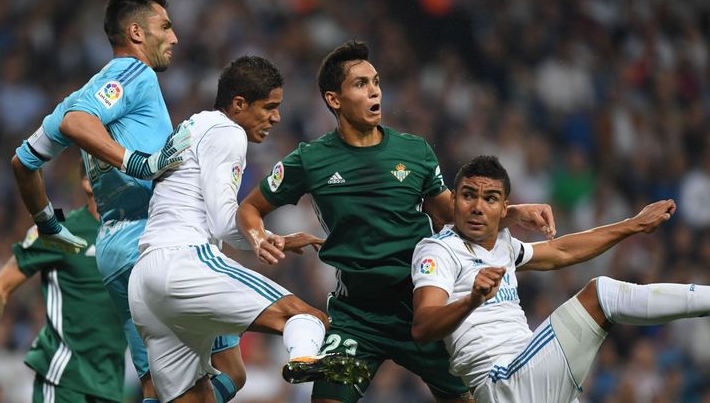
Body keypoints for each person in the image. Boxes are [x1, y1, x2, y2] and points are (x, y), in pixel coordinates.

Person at [236, 40, 556, 402]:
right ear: (334, 99)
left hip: (419, 309)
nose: (375, 91)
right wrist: (260, 239)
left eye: (376, 82)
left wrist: (513, 213)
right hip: (357, 315)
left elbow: (451, 212)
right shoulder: (310, 160)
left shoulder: (414, 151)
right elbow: (249, 208)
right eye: (361, 84)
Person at [10, 0, 243, 403]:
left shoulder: (74, 98)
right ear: (136, 32)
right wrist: (138, 162)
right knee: (226, 373)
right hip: (158, 240)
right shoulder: (135, 74)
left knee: (161, 385)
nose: (175, 37)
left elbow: (22, 164)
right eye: (166, 27)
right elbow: (80, 123)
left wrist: (48, 223)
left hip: (115, 250)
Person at [129, 55, 370, 403]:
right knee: (307, 318)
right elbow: (226, 223)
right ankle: (304, 360)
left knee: (197, 397)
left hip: (146, 281)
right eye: (269, 107)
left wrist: (275, 239)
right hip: (184, 262)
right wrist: (264, 239)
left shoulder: (193, 127)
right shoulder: (228, 132)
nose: (276, 117)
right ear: (239, 104)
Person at [410, 155, 709, 402]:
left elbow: (561, 250)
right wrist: (471, 301)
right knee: (600, 295)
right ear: (454, 202)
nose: (477, 206)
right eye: (468, 195)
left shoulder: (503, 243)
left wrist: (634, 224)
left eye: (489, 198)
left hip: (533, 378)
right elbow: (423, 327)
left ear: (504, 208)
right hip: (503, 382)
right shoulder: (438, 250)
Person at [0, 164, 128, 403]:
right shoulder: (59, 230)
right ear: (88, 182)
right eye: (110, 168)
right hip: (64, 381)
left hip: (111, 385)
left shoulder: (132, 236)